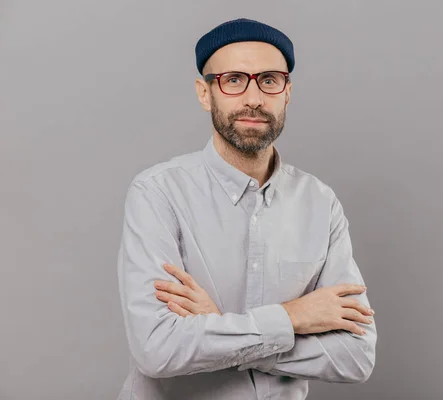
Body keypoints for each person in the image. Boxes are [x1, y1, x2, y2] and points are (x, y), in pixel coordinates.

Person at [116, 17, 377, 400]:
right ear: (205, 94)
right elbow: (157, 349)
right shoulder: (158, 193)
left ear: (287, 92)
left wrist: (219, 328)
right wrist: (295, 317)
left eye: (269, 80)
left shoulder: (320, 203)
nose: (253, 98)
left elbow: (356, 356)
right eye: (233, 80)